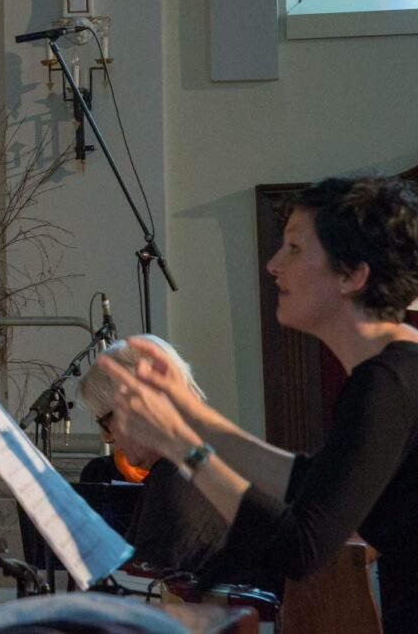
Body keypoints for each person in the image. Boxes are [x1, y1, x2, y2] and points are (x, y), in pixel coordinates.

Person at [97, 175, 418, 632]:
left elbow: (302, 547)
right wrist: (191, 416)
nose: (273, 264)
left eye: (294, 248)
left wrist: (184, 447)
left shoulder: (387, 384)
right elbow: (307, 480)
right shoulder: (396, 371)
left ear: (351, 274)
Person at [78, 336, 228, 575]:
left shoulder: (172, 479)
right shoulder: (201, 460)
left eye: (105, 422)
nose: (106, 438)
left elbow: (148, 585)